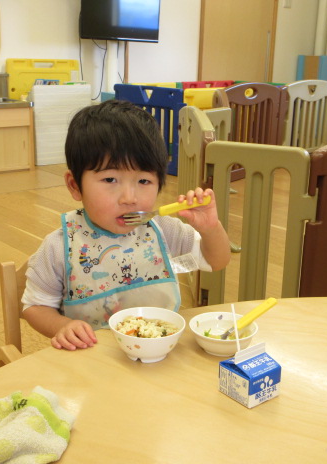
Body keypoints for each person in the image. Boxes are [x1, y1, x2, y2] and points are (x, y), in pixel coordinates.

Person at [21, 100, 230, 350]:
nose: (129, 198)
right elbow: (35, 306)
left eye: (143, 181)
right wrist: (62, 326)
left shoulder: (163, 230)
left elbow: (216, 261)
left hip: (158, 352)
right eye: (110, 179)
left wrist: (210, 228)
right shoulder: (59, 247)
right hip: (91, 356)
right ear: (75, 185)